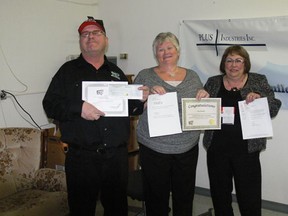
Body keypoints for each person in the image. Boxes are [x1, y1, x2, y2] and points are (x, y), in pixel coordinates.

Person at [42, 16, 149, 216]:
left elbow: (127, 108)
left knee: (117, 208)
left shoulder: (117, 73)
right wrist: (78, 108)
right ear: (81, 41)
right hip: (82, 157)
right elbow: (50, 105)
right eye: (85, 34)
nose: (90, 37)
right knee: (82, 209)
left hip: (116, 158)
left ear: (106, 40)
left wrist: (140, 100)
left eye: (96, 32)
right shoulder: (67, 72)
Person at [134, 32, 209, 216]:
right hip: (154, 148)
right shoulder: (145, 75)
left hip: (187, 148)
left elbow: (199, 104)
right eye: (160, 49)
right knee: (155, 196)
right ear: (155, 54)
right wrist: (145, 97)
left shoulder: (192, 76)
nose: (166, 52)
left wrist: (203, 96)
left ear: (178, 51)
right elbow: (133, 108)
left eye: (169, 47)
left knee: (184, 196)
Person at [203, 45, 281, 216]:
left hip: (247, 150)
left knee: (249, 197)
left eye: (238, 60)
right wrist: (201, 97)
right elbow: (202, 110)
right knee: (220, 195)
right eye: (229, 60)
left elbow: (274, 107)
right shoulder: (213, 82)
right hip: (217, 149)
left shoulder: (258, 80)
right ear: (224, 63)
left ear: (245, 63)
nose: (233, 64)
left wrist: (261, 100)